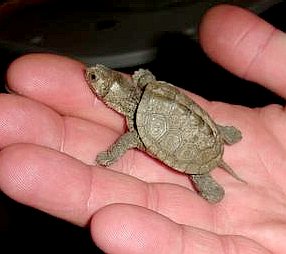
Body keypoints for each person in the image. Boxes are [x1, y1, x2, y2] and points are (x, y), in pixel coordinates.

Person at [0, 4, 285, 253]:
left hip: (194, 154)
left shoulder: (138, 126)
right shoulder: (150, 86)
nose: (92, 77)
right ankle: (223, 133)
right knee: (196, 122)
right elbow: (151, 87)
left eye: (98, 80)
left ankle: (212, 184)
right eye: (96, 77)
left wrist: (110, 156)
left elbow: (127, 140)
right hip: (206, 128)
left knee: (200, 173)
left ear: (110, 97)